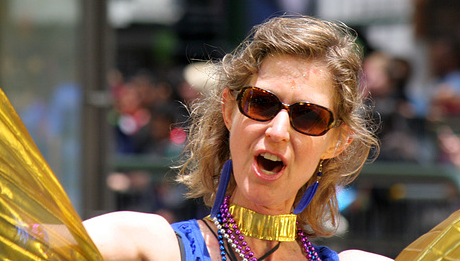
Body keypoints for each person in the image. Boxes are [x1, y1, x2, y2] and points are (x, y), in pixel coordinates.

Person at [83, 15, 391, 260]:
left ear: (337, 141)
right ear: (230, 110)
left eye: (308, 117)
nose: (277, 131)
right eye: (261, 103)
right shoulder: (152, 246)